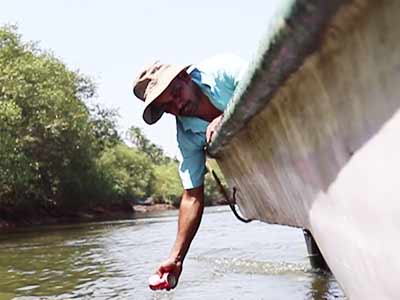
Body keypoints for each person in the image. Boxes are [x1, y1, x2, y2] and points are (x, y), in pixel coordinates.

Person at [132, 53, 246, 290]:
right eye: (167, 106)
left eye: (175, 94)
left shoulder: (225, 70)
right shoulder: (186, 135)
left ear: (184, 76)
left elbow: (262, 86)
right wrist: (176, 257)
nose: (178, 105)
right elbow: (192, 196)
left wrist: (227, 117)